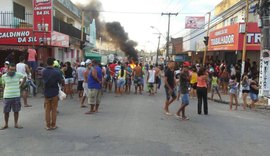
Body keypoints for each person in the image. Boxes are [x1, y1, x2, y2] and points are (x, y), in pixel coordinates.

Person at [0, 63, 26, 130]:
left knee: (16, 111)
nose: (12, 71)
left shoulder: (18, 74)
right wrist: (4, 90)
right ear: (8, 69)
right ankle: (6, 124)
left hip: (16, 96)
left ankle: (16, 124)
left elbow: (24, 77)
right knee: (6, 112)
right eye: (11, 69)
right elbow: (3, 85)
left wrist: (20, 85)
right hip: (7, 96)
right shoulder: (3, 76)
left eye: (14, 70)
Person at [42, 57, 62, 130]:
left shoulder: (43, 71)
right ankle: (53, 125)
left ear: (47, 63)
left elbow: (43, 81)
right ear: (53, 63)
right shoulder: (57, 72)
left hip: (47, 92)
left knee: (47, 110)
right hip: (54, 92)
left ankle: (48, 125)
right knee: (54, 110)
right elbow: (60, 81)